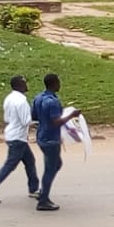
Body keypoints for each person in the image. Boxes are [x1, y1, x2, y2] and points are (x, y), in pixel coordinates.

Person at [0, 75, 39, 204]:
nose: (27, 85)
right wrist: (41, 123)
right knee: (10, 165)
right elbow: (26, 122)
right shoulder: (22, 102)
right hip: (18, 138)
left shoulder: (9, 98)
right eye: (25, 83)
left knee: (30, 161)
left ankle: (34, 189)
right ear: (20, 85)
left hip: (12, 135)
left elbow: (7, 118)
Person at [31, 74, 81, 211]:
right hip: (51, 139)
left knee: (56, 164)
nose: (60, 85)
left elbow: (34, 116)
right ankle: (43, 200)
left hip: (41, 136)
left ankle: (43, 192)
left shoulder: (38, 98)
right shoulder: (52, 102)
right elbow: (56, 122)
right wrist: (72, 115)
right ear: (54, 84)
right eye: (58, 82)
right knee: (50, 169)